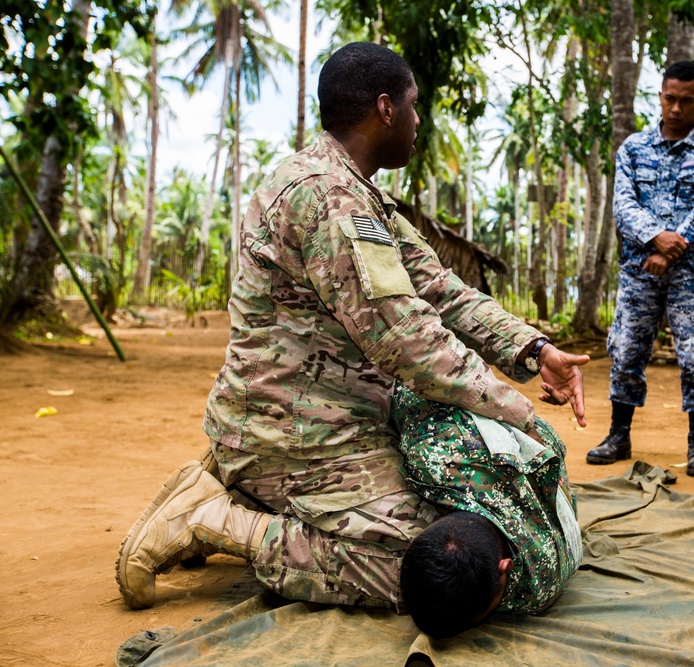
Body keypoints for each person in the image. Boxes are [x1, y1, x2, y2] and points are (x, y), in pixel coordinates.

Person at [116, 42, 589, 612]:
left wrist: (534, 349)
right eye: (415, 106)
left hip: (325, 419)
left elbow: (440, 291)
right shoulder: (329, 199)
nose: (419, 122)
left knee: (467, 529)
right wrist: (519, 414)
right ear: (386, 109)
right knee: (437, 568)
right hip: (301, 438)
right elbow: (405, 339)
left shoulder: (354, 195)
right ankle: (221, 520)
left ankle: (244, 485)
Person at [587, 61, 694, 476]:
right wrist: (655, 237)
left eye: (686, 101)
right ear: (661, 97)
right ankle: (619, 434)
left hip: (692, 272)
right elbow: (624, 205)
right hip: (639, 270)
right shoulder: (634, 149)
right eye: (670, 99)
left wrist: (670, 249)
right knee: (627, 349)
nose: (676, 108)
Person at [394, 387, 582, 637]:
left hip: (531, 433)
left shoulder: (536, 587)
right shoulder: (428, 454)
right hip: (521, 433)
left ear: (506, 567)